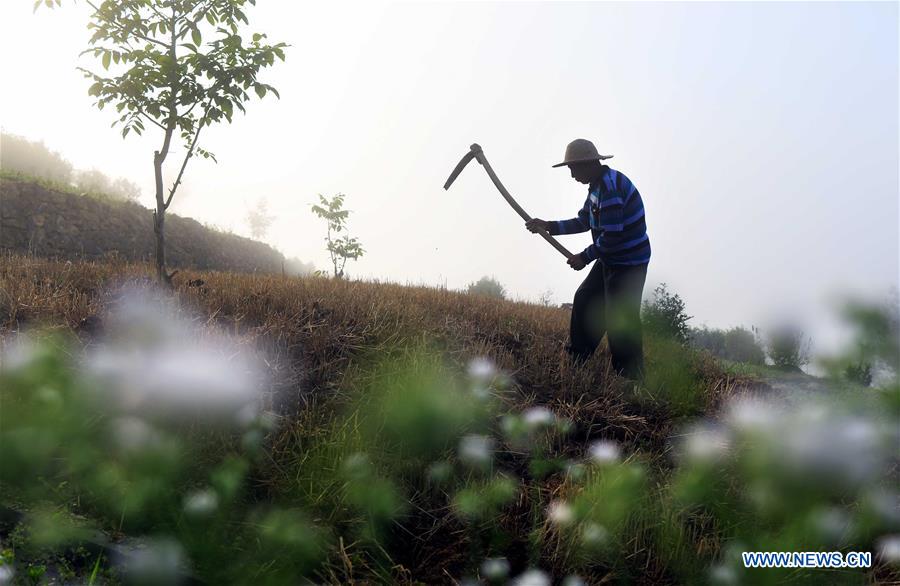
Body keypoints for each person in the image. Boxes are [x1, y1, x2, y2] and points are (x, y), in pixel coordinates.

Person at [526, 138, 650, 379]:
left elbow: (612, 236)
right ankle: (577, 358)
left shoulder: (610, 189)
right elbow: (584, 221)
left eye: (573, 168)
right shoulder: (596, 187)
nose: (571, 175)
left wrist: (584, 257)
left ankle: (631, 378)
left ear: (587, 164)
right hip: (611, 257)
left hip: (629, 263)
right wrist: (549, 226)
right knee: (584, 297)